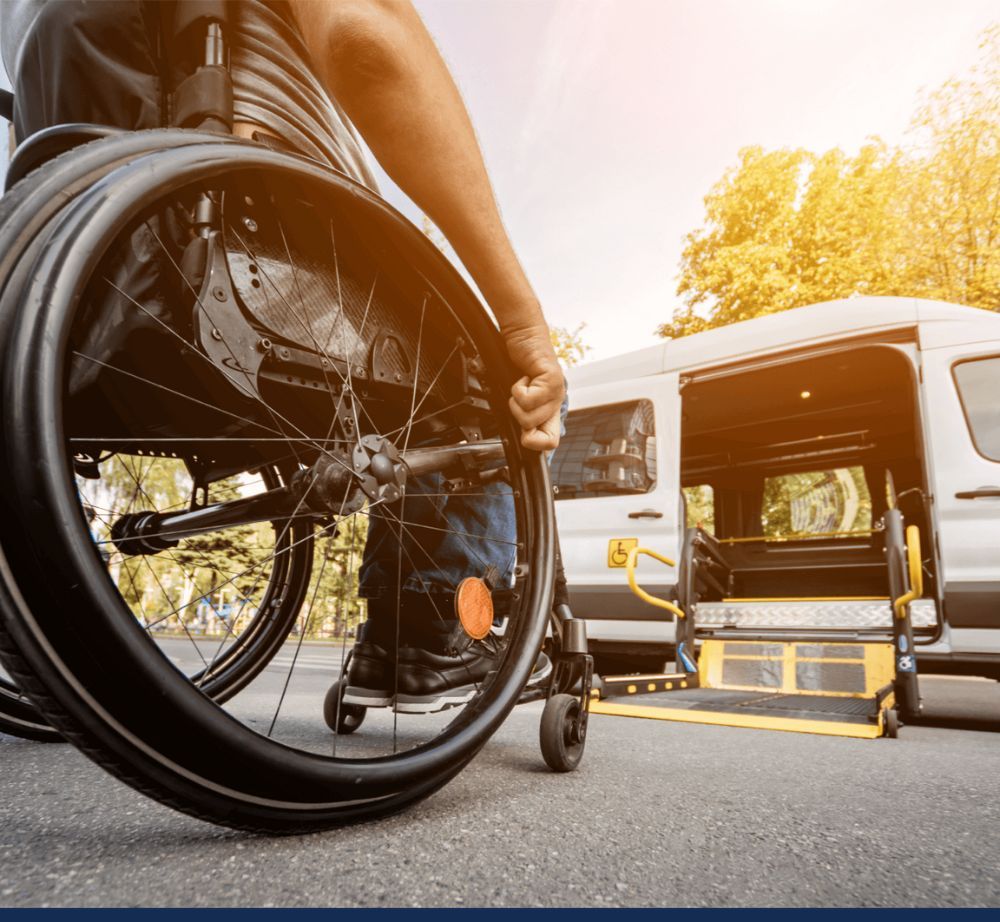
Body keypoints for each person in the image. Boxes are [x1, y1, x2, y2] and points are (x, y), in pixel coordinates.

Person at [1, 0, 564, 713]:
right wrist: (520, 319)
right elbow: (365, 39)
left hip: (85, 272)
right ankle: (424, 642)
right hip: (245, 237)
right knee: (493, 379)